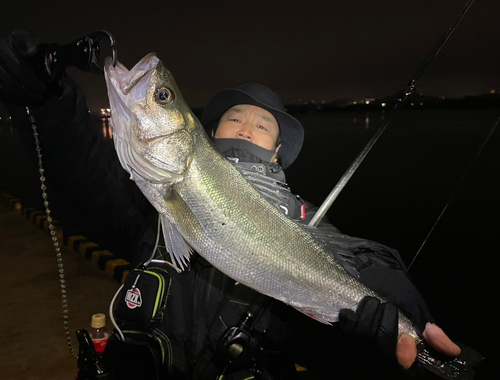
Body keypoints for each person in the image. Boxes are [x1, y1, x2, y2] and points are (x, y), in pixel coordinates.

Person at [0, 30, 460, 379]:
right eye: (233, 118)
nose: (244, 127)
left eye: (262, 125)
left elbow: (355, 258)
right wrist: (47, 104)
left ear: (277, 152)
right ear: (207, 135)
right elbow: (85, 174)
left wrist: (391, 296)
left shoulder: (304, 216)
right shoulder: (152, 202)